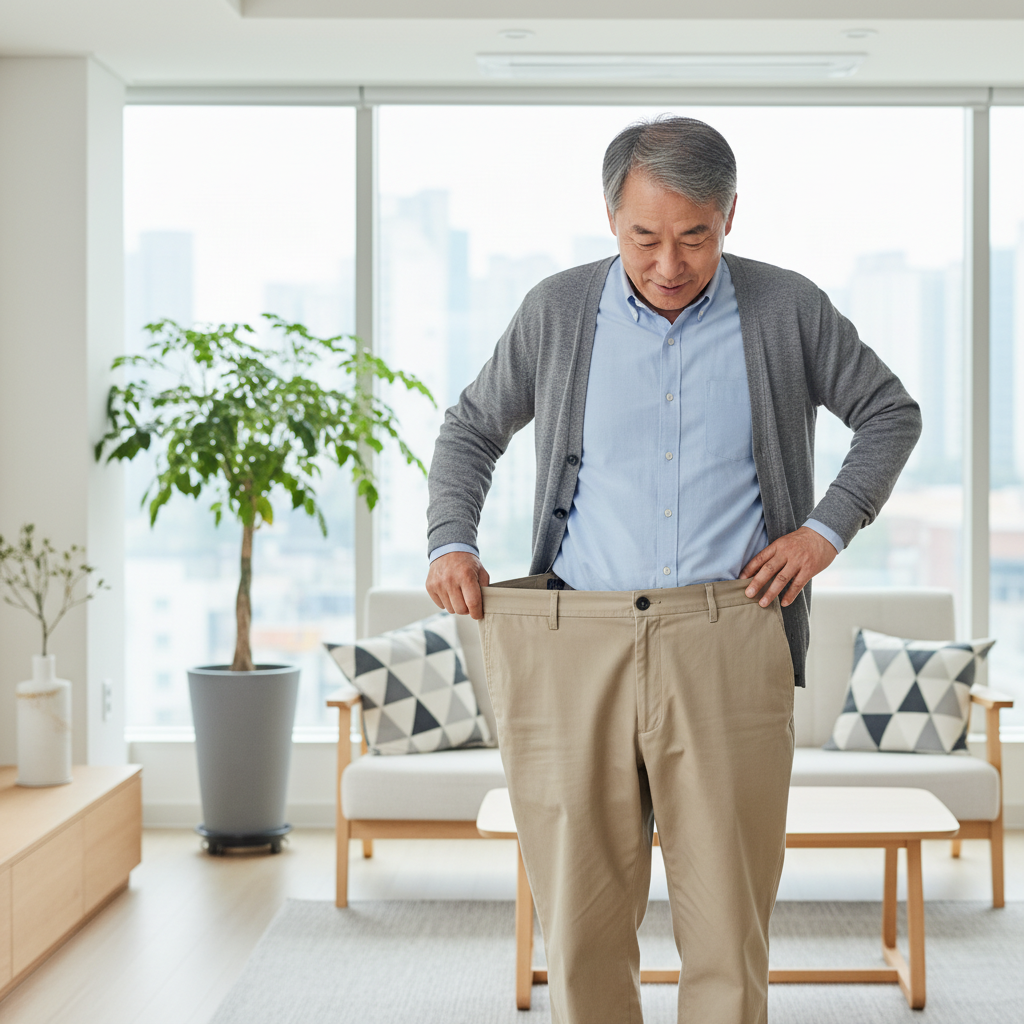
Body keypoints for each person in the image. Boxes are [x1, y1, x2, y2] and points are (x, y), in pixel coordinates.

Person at [425, 116, 921, 1024]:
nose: (668, 263)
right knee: (579, 928)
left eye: (694, 236)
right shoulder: (556, 311)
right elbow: (470, 430)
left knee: (728, 928)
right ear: (610, 216)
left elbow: (889, 412)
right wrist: (449, 539)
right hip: (576, 637)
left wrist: (823, 532)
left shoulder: (786, 308)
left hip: (729, 631)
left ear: (731, 215)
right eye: (644, 237)